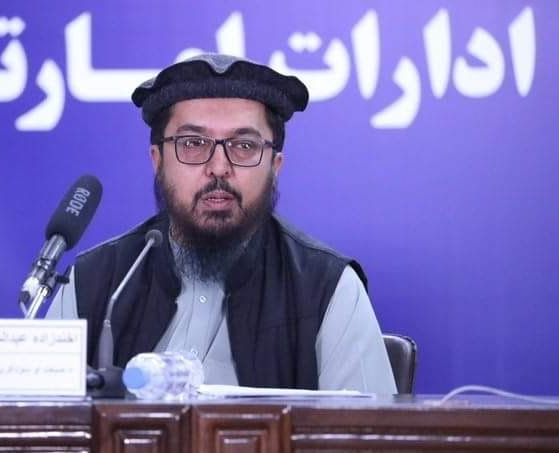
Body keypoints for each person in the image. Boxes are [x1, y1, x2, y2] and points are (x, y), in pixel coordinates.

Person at [47, 53, 397, 393]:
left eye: (243, 145)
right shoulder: (95, 282)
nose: (218, 167)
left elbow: (366, 428)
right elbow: (46, 420)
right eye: (193, 143)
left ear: (274, 167)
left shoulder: (328, 289)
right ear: (158, 161)